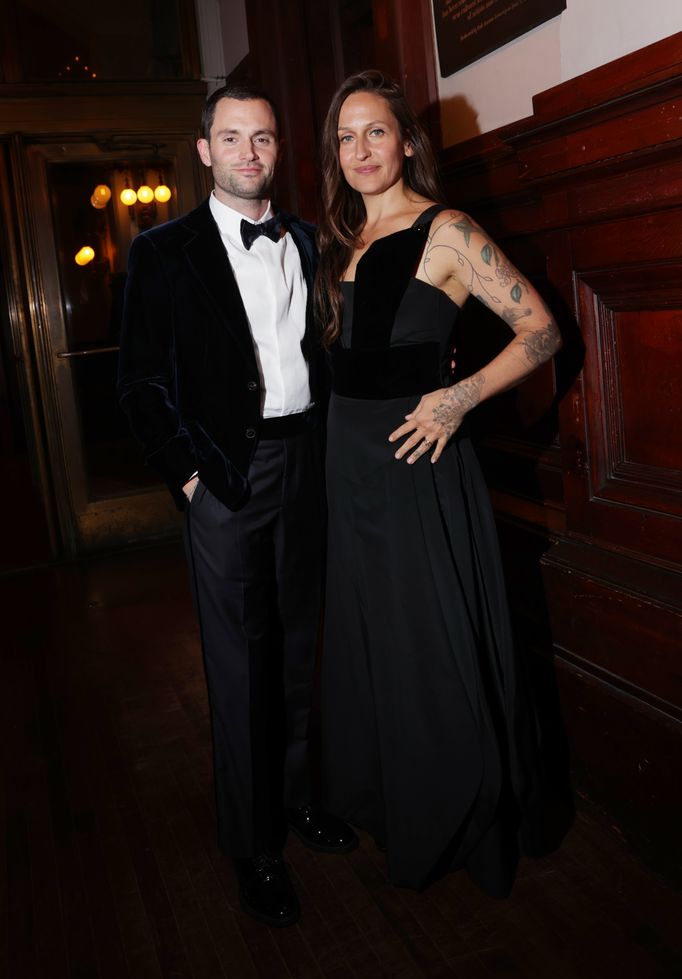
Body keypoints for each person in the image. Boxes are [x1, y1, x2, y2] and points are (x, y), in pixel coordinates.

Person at [315, 70, 561, 897]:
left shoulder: (447, 229)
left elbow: (543, 329)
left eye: (375, 131)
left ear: (408, 141)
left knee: (431, 642)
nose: (359, 150)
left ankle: (464, 815)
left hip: (416, 465)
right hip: (347, 470)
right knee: (378, 640)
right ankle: (399, 799)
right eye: (345, 137)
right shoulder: (339, 238)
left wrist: (458, 398)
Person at [118, 82, 356, 928]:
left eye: (263, 138)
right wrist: (189, 477)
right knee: (238, 668)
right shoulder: (163, 252)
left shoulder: (305, 236)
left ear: (277, 150)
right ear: (204, 150)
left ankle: (295, 799)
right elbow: (141, 385)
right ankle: (253, 848)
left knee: (299, 650)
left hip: (308, 467)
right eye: (232, 137)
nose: (249, 152)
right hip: (226, 478)